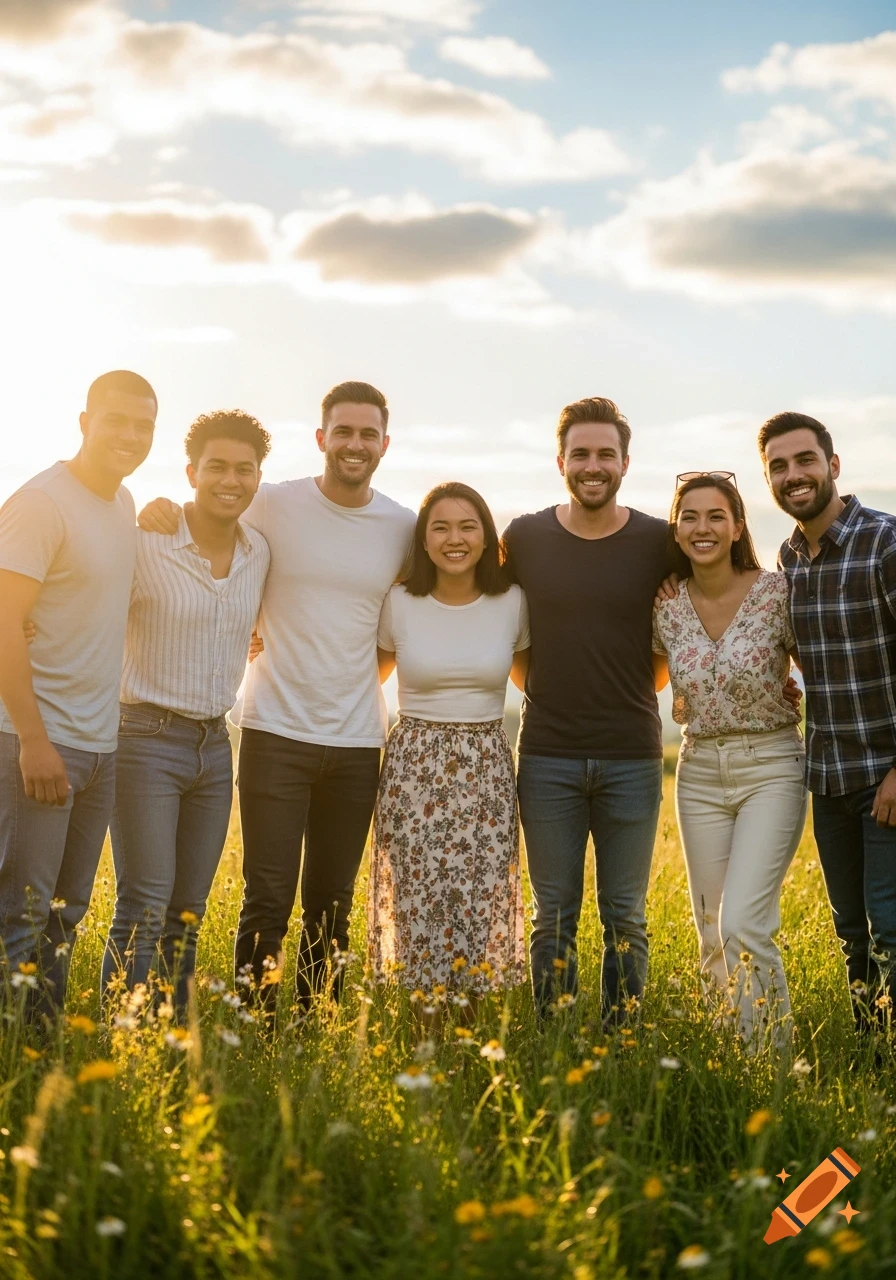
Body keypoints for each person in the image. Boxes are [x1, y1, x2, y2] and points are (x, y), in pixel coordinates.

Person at [137, 382, 416, 1016]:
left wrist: (348, 683)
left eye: (367, 434)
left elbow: (405, 621)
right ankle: (254, 1025)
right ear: (321, 438)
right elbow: (209, 510)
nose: (354, 444)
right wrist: (158, 509)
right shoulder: (270, 503)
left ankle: (316, 1023)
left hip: (356, 742)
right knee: (267, 895)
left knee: (333, 901)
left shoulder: (402, 526)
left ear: (384, 444)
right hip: (272, 733)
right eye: (342, 431)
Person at [502, 397, 671, 1021]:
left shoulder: (658, 538)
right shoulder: (524, 535)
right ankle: (554, 1035)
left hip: (632, 755)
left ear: (625, 462)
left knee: (625, 913)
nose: (592, 465)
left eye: (605, 454)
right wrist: (547, 688)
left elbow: (680, 628)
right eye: (581, 454)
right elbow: (508, 635)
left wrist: (626, 689)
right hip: (547, 756)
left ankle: (620, 1039)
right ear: (561, 462)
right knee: (553, 912)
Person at [101, 411, 271, 1013]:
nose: (231, 480)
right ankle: (125, 1033)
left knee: (188, 911)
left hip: (213, 745)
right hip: (144, 738)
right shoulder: (146, 542)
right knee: (144, 901)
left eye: (244, 469)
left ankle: (170, 1038)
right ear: (191, 472)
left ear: (258, 477)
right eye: (217, 467)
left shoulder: (259, 554)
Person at [0, 370, 157, 1014]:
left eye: (143, 425)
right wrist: (34, 741)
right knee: (23, 917)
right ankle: (12, 1061)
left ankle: (46, 1049)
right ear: (83, 420)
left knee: (67, 916)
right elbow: (6, 620)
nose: (129, 435)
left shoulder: (124, 505)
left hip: (101, 747)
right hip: (38, 742)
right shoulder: (42, 502)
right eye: (115, 420)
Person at [652, 473, 807, 1047]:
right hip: (697, 773)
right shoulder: (666, 607)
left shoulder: (775, 593)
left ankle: (776, 1068)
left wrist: (793, 690)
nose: (703, 527)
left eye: (716, 516)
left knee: (745, 922)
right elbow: (645, 683)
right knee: (712, 932)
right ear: (676, 527)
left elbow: (819, 672)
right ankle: (733, 1060)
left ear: (738, 525)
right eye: (690, 516)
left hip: (770, 765)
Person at [760, 411, 896, 1043]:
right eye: (779, 467)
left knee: (890, 928)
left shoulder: (885, 543)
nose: (794, 476)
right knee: (851, 933)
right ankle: (874, 1059)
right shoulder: (790, 560)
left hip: (886, 774)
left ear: (833, 466)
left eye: (804, 461)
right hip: (828, 776)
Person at [371, 482, 530, 1010]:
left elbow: (535, 681)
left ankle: (473, 1039)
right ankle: (423, 1035)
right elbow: (367, 676)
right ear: (423, 538)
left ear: (487, 538)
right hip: (414, 767)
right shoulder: (399, 602)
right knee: (418, 910)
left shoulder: (513, 602)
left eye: (468, 526)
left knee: (477, 910)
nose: (454, 538)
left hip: (485, 767)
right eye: (440, 526)